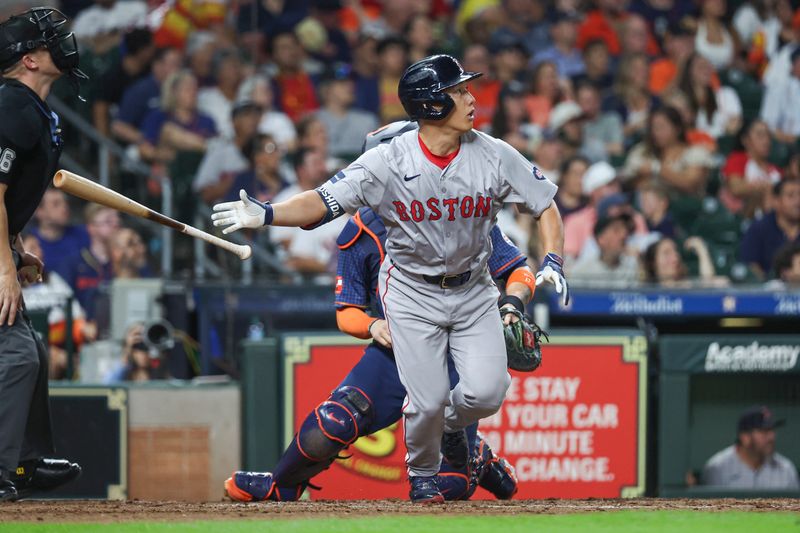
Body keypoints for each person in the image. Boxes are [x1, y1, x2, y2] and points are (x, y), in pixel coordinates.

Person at [210, 55, 567, 503]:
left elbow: (525, 240)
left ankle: (470, 449)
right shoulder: (370, 204)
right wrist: (266, 214)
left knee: (479, 411)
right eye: (459, 91)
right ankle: (294, 484)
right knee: (359, 418)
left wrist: (520, 294)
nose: (471, 99)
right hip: (407, 314)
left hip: (470, 298)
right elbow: (321, 207)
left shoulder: (484, 170)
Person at [0, 6, 84, 502]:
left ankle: (26, 463)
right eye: (49, 40)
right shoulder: (12, 104)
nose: (63, 44)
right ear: (29, 59)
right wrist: (4, 270)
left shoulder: (29, 107)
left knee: (31, 350)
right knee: (16, 357)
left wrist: (16, 249)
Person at [702, 406, 799, 490]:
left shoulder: (786, 469)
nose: (771, 437)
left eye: (772, 430)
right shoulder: (717, 468)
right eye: (764, 431)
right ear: (745, 437)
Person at [740, 178, 800, 278]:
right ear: (776, 201)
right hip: (768, 289)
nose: (798, 201)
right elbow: (751, 265)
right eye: (791, 196)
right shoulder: (759, 228)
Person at [29, 188, 89, 281]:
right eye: (56, 204)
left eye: (65, 202)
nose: (65, 208)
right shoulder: (29, 243)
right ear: (39, 212)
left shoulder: (82, 234)